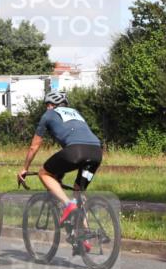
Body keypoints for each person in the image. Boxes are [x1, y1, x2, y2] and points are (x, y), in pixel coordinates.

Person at [18, 91, 103, 225]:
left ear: (51, 105)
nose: (46, 108)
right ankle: (83, 235)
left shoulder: (49, 114)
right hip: (96, 152)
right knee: (78, 192)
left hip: (76, 151)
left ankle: (68, 204)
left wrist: (25, 168)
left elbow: (34, 146)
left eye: (47, 105)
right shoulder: (76, 113)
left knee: (44, 173)